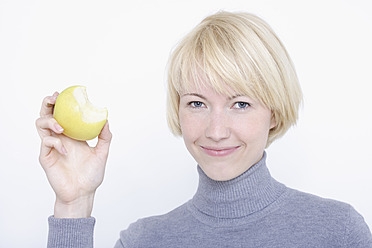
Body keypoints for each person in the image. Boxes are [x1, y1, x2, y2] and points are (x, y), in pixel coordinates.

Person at [36, 11, 372, 247]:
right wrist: (74, 205)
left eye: (240, 104)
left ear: (274, 112)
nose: (216, 130)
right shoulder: (144, 241)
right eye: (197, 103)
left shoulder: (338, 232)